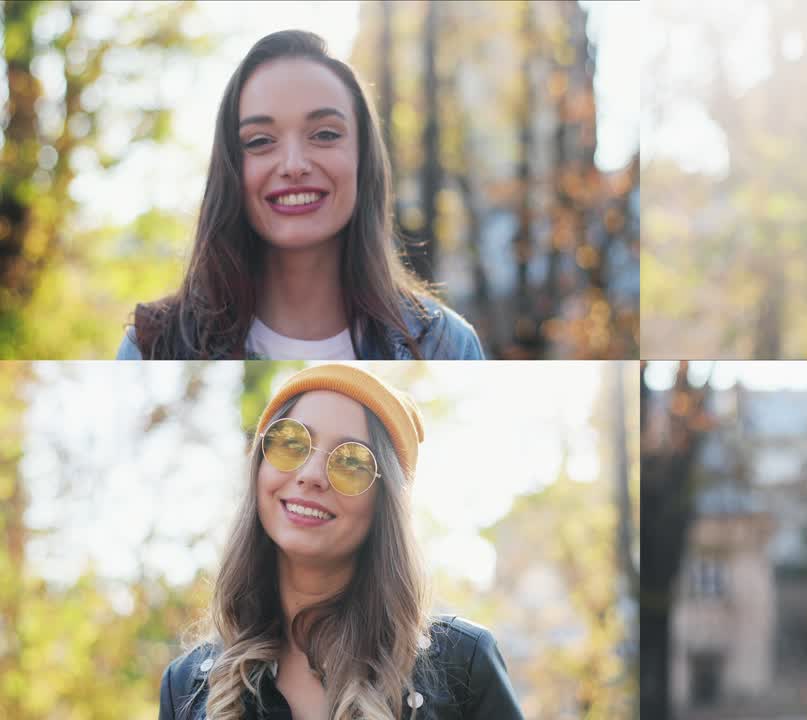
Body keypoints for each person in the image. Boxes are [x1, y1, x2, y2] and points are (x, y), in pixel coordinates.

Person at [158, 364, 521, 719]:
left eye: (351, 462)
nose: (312, 475)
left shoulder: (464, 665)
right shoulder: (185, 687)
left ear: (384, 505)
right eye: (291, 442)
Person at [118, 31, 483, 360]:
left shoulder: (447, 346)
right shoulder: (153, 347)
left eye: (324, 134)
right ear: (230, 168)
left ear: (362, 157)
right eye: (260, 141)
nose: (294, 165)